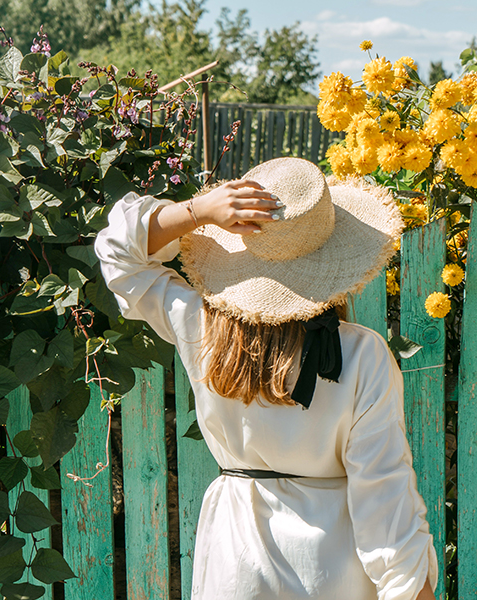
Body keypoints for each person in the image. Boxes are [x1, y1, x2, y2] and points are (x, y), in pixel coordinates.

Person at [96, 157, 439, 600]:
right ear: (336, 260)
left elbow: (117, 251)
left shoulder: (200, 327)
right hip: (334, 575)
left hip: (234, 564)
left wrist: (199, 211)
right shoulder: (363, 354)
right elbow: (384, 499)